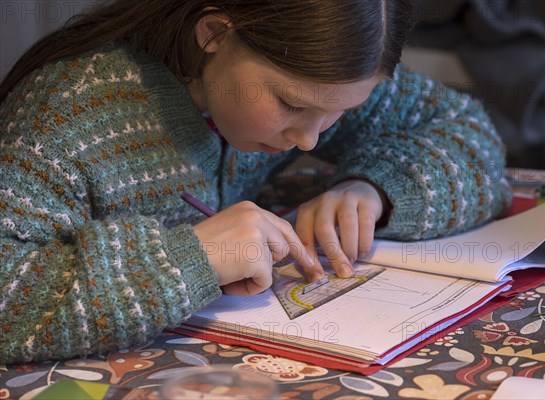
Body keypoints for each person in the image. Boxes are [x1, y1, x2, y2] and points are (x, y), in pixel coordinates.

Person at [0, 0, 512, 364]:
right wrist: (186, 259)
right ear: (215, 33)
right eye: (291, 104)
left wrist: (372, 191)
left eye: (339, 114)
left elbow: (468, 136)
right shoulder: (66, 115)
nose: (309, 140)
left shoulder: (318, 81)